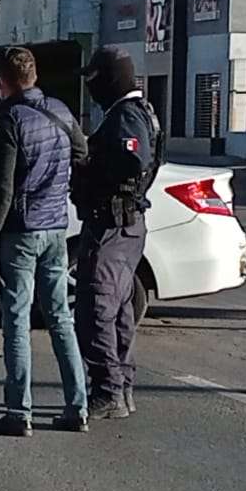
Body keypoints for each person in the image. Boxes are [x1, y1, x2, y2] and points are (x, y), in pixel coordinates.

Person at [0, 46, 89, 437]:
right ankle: (77, 407)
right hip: (56, 228)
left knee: (17, 320)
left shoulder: (10, 120)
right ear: (32, 77)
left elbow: (1, 189)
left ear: (2, 82)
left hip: (21, 231)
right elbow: (82, 152)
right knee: (60, 318)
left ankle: (19, 413)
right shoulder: (61, 111)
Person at [72, 47, 163, 420]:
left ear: (107, 79)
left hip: (113, 224)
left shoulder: (126, 115)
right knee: (120, 311)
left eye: (93, 79)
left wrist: (90, 167)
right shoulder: (136, 112)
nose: (89, 88)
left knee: (95, 308)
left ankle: (108, 391)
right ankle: (120, 388)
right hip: (124, 224)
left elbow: (133, 160)